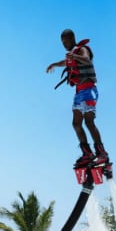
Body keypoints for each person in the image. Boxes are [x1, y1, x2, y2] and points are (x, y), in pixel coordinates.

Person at [46, 29, 110, 168]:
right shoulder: (72, 54)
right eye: (62, 42)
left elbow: (86, 59)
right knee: (76, 124)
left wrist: (74, 57)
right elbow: (66, 62)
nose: (64, 44)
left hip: (89, 90)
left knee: (89, 122)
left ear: (72, 38)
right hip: (79, 93)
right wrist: (54, 64)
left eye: (66, 41)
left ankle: (102, 153)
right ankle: (87, 153)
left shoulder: (82, 50)